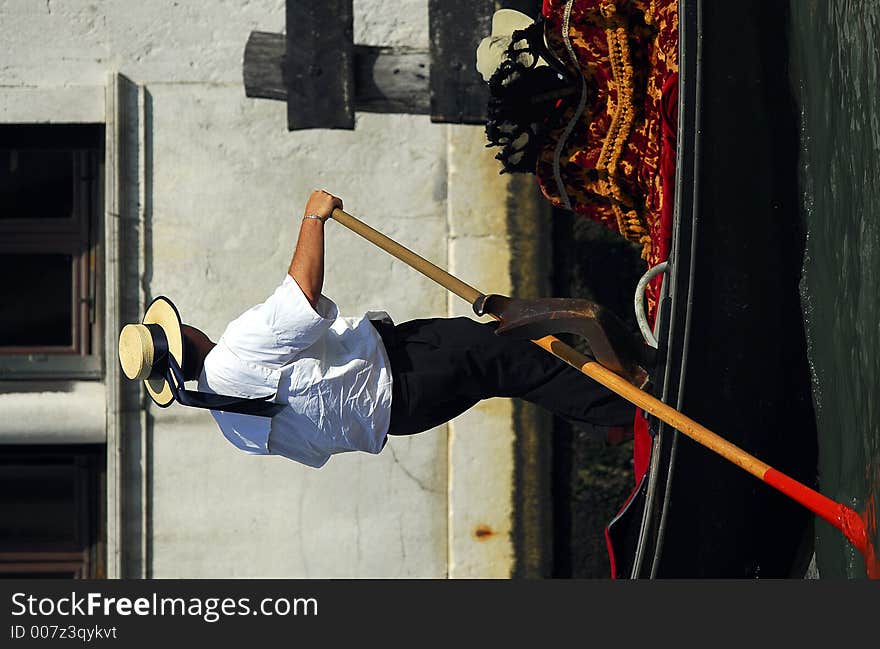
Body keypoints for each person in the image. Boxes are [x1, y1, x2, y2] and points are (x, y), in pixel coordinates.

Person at [163, 190, 635, 468]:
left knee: (510, 371)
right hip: (407, 369)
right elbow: (302, 297)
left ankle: (605, 418)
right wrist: (313, 216)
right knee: (514, 357)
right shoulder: (234, 350)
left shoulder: (230, 426)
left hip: (404, 416)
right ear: (187, 335)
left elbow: (317, 447)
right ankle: (628, 409)